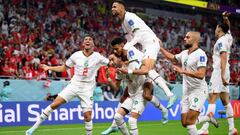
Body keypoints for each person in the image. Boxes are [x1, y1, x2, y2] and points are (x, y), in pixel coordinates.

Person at [26, 35, 111, 135]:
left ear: (93, 44)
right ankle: (33, 128)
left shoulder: (98, 57)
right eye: (86, 40)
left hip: (87, 88)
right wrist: (49, 68)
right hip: (74, 85)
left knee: (88, 116)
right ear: (83, 44)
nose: (88, 41)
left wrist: (107, 69)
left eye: (90, 39)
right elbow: (63, 68)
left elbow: (110, 63)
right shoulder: (76, 55)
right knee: (55, 104)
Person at [111, 0, 177, 109]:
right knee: (145, 70)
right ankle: (167, 86)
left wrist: (127, 47)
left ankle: (170, 95)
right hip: (145, 46)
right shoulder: (123, 22)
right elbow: (129, 38)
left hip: (150, 43)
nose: (112, 9)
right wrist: (129, 56)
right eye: (112, 7)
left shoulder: (129, 17)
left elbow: (138, 36)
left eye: (114, 6)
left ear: (121, 8)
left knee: (145, 70)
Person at [101, 37, 168, 135]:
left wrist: (127, 70)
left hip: (142, 87)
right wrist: (109, 79)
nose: (110, 63)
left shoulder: (131, 56)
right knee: (117, 117)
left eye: (112, 59)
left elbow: (142, 70)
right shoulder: (119, 71)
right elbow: (116, 87)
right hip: (132, 94)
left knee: (132, 120)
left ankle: (163, 109)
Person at [160, 31, 219, 135]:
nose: (184, 39)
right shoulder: (184, 53)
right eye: (185, 37)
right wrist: (160, 48)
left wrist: (183, 71)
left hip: (199, 91)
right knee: (184, 123)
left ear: (195, 40)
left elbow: (201, 74)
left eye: (188, 37)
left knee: (190, 123)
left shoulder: (200, 54)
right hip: (186, 92)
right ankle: (208, 118)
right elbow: (173, 58)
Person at [198, 12, 237, 135]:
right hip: (225, 71)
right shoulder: (228, 37)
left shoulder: (221, 41)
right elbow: (228, 28)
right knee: (225, 101)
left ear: (219, 29)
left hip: (220, 71)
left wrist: (221, 75)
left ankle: (204, 129)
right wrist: (225, 18)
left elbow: (223, 57)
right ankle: (232, 129)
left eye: (216, 27)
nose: (215, 29)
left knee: (212, 99)